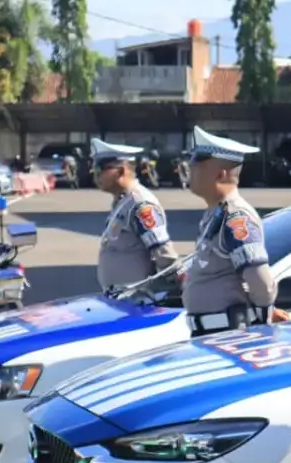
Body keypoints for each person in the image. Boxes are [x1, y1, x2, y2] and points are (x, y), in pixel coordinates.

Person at [181, 126, 280, 336]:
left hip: (225, 333)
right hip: (207, 332)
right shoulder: (215, 213)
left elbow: (261, 285)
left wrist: (262, 318)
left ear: (220, 174)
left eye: (197, 165)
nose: (190, 170)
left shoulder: (237, 217)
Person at [92, 137, 179, 290]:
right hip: (120, 296)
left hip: (136, 298)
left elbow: (163, 252)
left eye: (101, 170)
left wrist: (179, 282)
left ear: (120, 171)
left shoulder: (141, 204)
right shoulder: (123, 200)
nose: (96, 176)